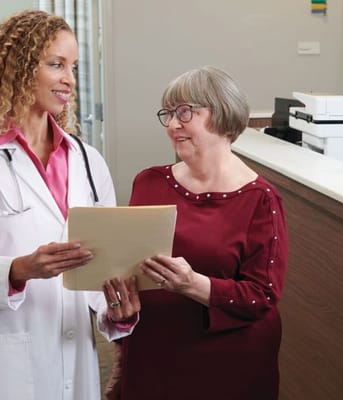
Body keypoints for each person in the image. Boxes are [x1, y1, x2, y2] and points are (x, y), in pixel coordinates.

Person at [0, 10, 139, 400]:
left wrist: (115, 311)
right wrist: (20, 269)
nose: (70, 80)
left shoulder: (88, 161)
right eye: (55, 64)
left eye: (73, 67)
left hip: (74, 354)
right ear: (17, 70)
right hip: (2, 363)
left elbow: (99, 267)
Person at [111, 66, 289, 399]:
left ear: (222, 115)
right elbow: (129, 268)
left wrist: (193, 285)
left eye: (185, 112)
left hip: (228, 365)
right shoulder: (147, 181)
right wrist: (121, 310)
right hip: (150, 356)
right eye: (169, 113)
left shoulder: (260, 199)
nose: (174, 124)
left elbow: (262, 296)